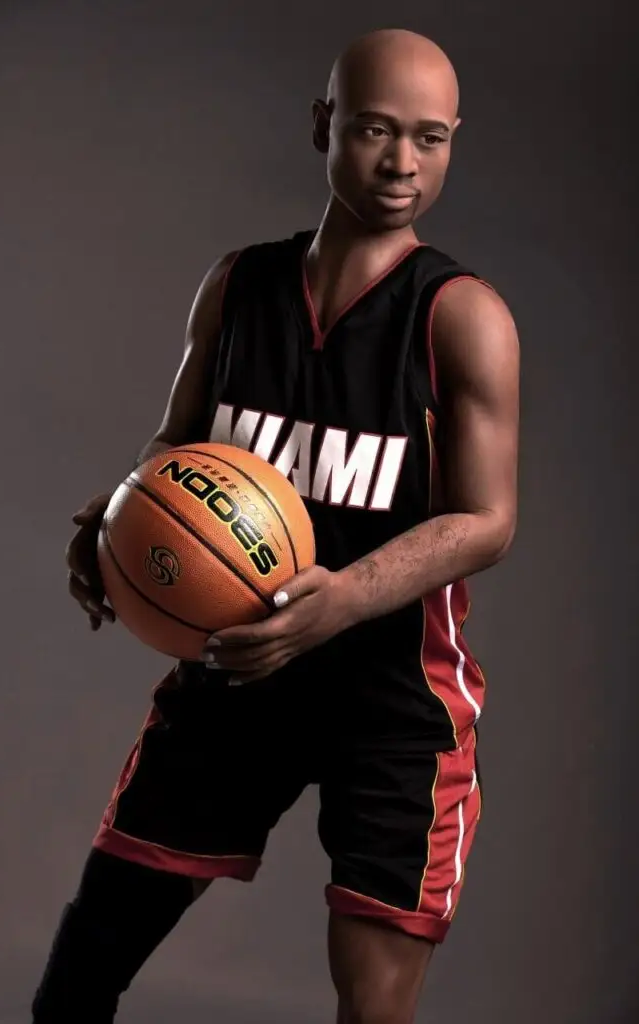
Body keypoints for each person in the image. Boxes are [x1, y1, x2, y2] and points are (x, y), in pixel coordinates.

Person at [32, 27, 520, 1024]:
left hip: (392, 697)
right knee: (77, 980)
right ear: (322, 124)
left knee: (371, 1010)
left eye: (428, 138)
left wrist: (341, 600)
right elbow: (172, 449)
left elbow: (485, 520)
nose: (401, 163)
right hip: (236, 676)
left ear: (451, 142)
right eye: (375, 129)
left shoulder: (461, 316)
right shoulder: (239, 286)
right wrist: (116, 525)